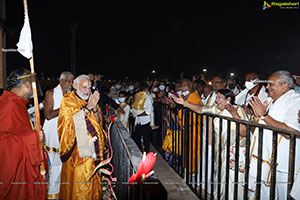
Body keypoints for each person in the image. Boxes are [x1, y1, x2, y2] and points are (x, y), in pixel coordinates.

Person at [172, 89, 248, 199]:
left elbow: (244, 132)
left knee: (231, 183)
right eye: (216, 97)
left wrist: (234, 114)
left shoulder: (238, 110)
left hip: (233, 154)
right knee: (220, 180)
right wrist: (185, 103)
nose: (216, 100)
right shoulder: (217, 109)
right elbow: (200, 109)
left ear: (228, 99)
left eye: (219, 98)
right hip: (220, 151)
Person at [248, 70, 300, 199]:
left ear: (284, 86)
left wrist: (264, 116)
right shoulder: (270, 102)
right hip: (265, 160)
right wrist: (256, 118)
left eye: (271, 84)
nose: (267, 87)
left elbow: (290, 133)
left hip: (284, 164)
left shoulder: (296, 100)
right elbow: (256, 133)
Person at [57, 74, 106, 200]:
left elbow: (99, 123)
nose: (87, 90)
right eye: (84, 87)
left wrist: (94, 108)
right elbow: (70, 125)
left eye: (89, 88)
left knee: (93, 186)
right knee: (80, 189)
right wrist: (88, 107)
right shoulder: (68, 100)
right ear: (75, 85)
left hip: (92, 154)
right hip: (77, 155)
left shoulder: (89, 99)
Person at [0, 67, 46, 199]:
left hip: (21, 166)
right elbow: (3, 143)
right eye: (33, 85)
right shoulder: (9, 105)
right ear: (27, 85)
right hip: (13, 174)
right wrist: (33, 138)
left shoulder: (17, 103)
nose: (35, 89)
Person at [43, 71, 74, 199]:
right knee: (52, 164)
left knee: (62, 165)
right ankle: (50, 193)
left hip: (65, 133)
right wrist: (65, 107)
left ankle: (59, 192)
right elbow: (48, 115)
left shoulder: (71, 95)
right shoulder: (50, 93)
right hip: (52, 132)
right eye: (68, 81)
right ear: (61, 81)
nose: (70, 84)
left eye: (72, 81)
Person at [131, 82, 153, 153]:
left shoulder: (148, 98)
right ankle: (140, 153)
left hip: (146, 121)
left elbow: (148, 112)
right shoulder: (137, 96)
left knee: (146, 140)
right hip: (138, 121)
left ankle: (146, 155)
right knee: (137, 138)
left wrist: (137, 114)